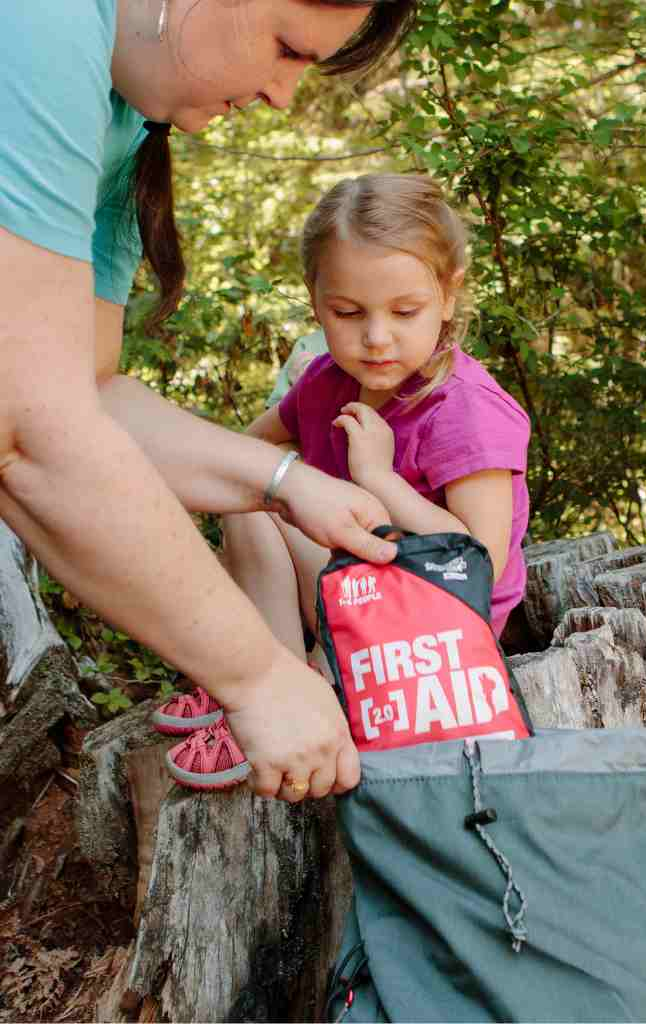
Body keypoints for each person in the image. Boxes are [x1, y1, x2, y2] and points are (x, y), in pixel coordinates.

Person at [0, 0, 418, 804]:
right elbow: (23, 428)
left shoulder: (124, 123)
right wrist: (258, 673)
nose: (284, 96)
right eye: (287, 49)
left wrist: (287, 481)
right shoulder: (40, 25)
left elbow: (84, 394)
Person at [155, 174, 531, 789]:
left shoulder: (467, 411)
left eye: (405, 312)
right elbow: (245, 452)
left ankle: (297, 698)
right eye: (348, 313)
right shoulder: (327, 379)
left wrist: (379, 478)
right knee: (254, 497)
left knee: (271, 498)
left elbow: (480, 559)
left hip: (433, 629)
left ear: (449, 293)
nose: (377, 338)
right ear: (315, 299)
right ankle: (270, 677)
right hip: (349, 593)